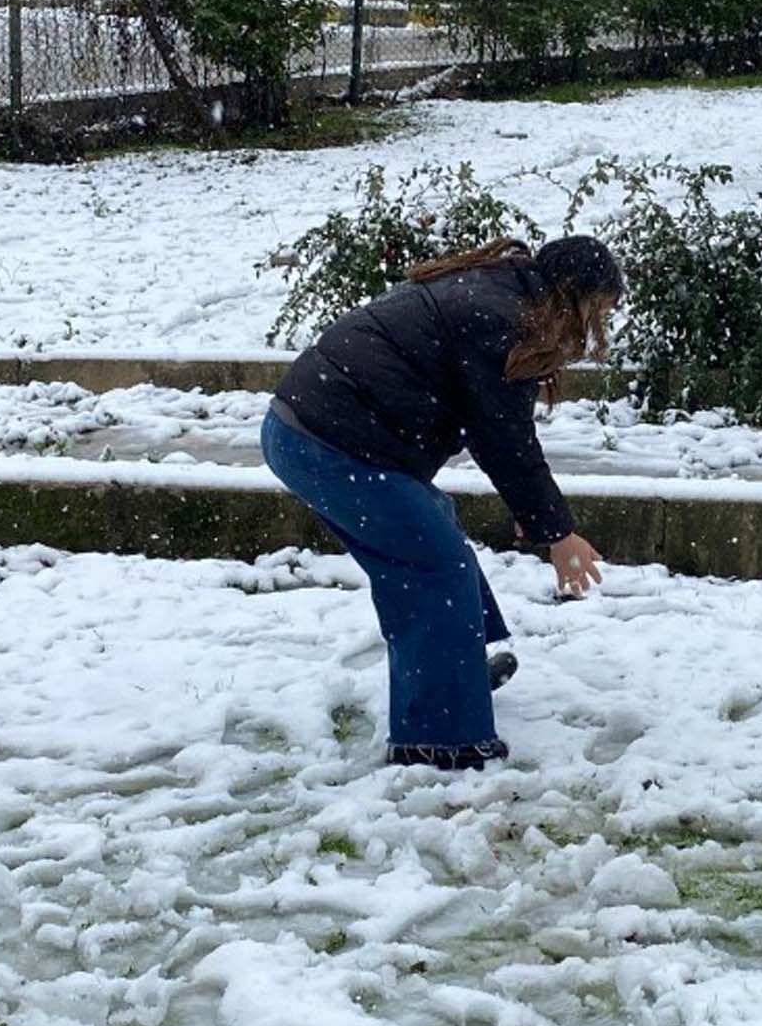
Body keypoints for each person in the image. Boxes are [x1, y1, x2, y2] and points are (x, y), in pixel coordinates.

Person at [263, 236, 621, 769]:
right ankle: (440, 741)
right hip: (327, 441)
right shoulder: (503, 317)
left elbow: (495, 428)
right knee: (435, 569)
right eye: (597, 312)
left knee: (432, 533)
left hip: (313, 430)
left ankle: (455, 680)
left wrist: (537, 517)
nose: (594, 329)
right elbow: (504, 439)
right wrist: (557, 534)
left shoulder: (498, 292)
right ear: (571, 295)